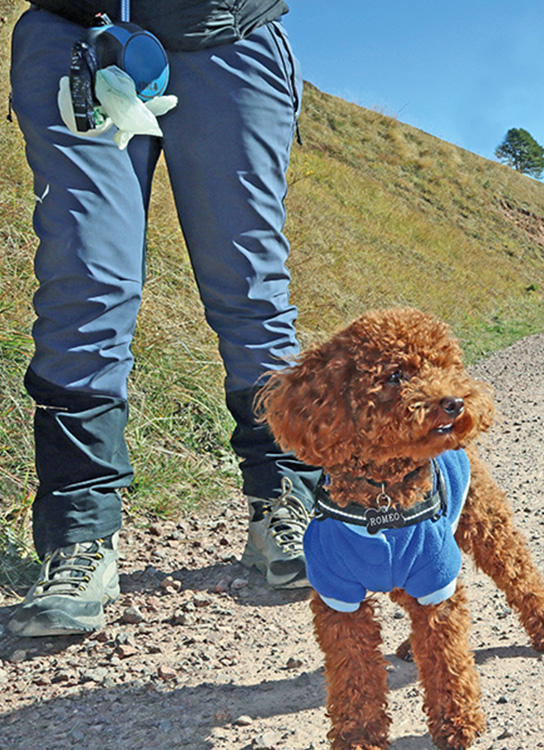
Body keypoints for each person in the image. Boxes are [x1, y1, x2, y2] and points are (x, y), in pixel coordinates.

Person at [7, 1, 322, 637]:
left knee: (250, 287)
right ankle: (80, 536)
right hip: (75, 34)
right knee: (86, 285)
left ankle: (283, 501)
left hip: (226, 35)